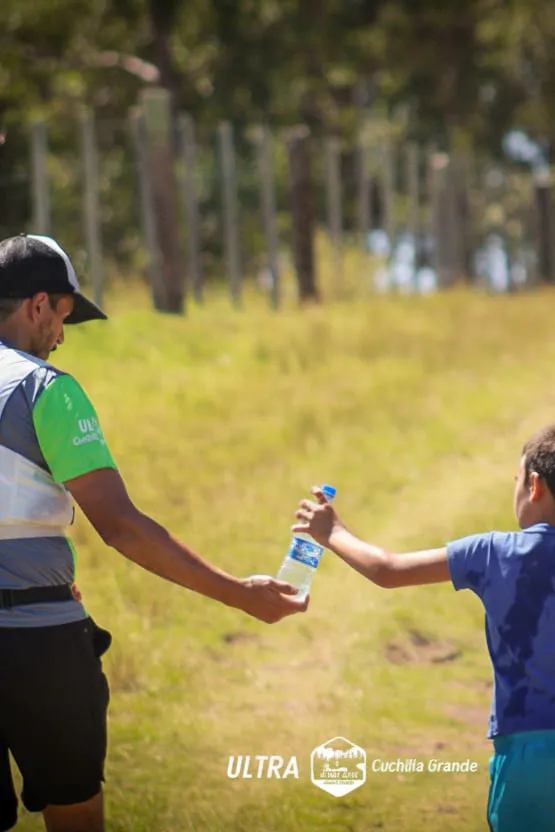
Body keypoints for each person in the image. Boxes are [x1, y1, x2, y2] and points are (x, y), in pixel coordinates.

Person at [0, 233, 307, 832]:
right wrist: (240, 594)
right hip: (38, 642)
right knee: (76, 811)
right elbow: (122, 528)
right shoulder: (46, 389)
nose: (61, 337)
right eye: (62, 317)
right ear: (38, 305)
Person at [293, 427, 555, 832]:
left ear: (534, 485)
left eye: (517, 481)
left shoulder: (493, 553)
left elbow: (387, 570)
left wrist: (333, 533)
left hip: (527, 757)